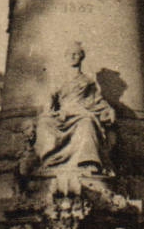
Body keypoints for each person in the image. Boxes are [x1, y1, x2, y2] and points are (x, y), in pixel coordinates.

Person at [36, 44, 117, 175]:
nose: (73, 56)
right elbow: (50, 98)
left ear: (82, 57)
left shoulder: (87, 80)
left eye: (76, 54)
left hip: (81, 111)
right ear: (65, 57)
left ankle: (88, 162)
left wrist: (109, 110)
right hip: (63, 113)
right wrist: (49, 112)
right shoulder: (58, 79)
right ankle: (48, 159)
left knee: (87, 121)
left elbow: (96, 99)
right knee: (44, 123)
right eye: (70, 54)